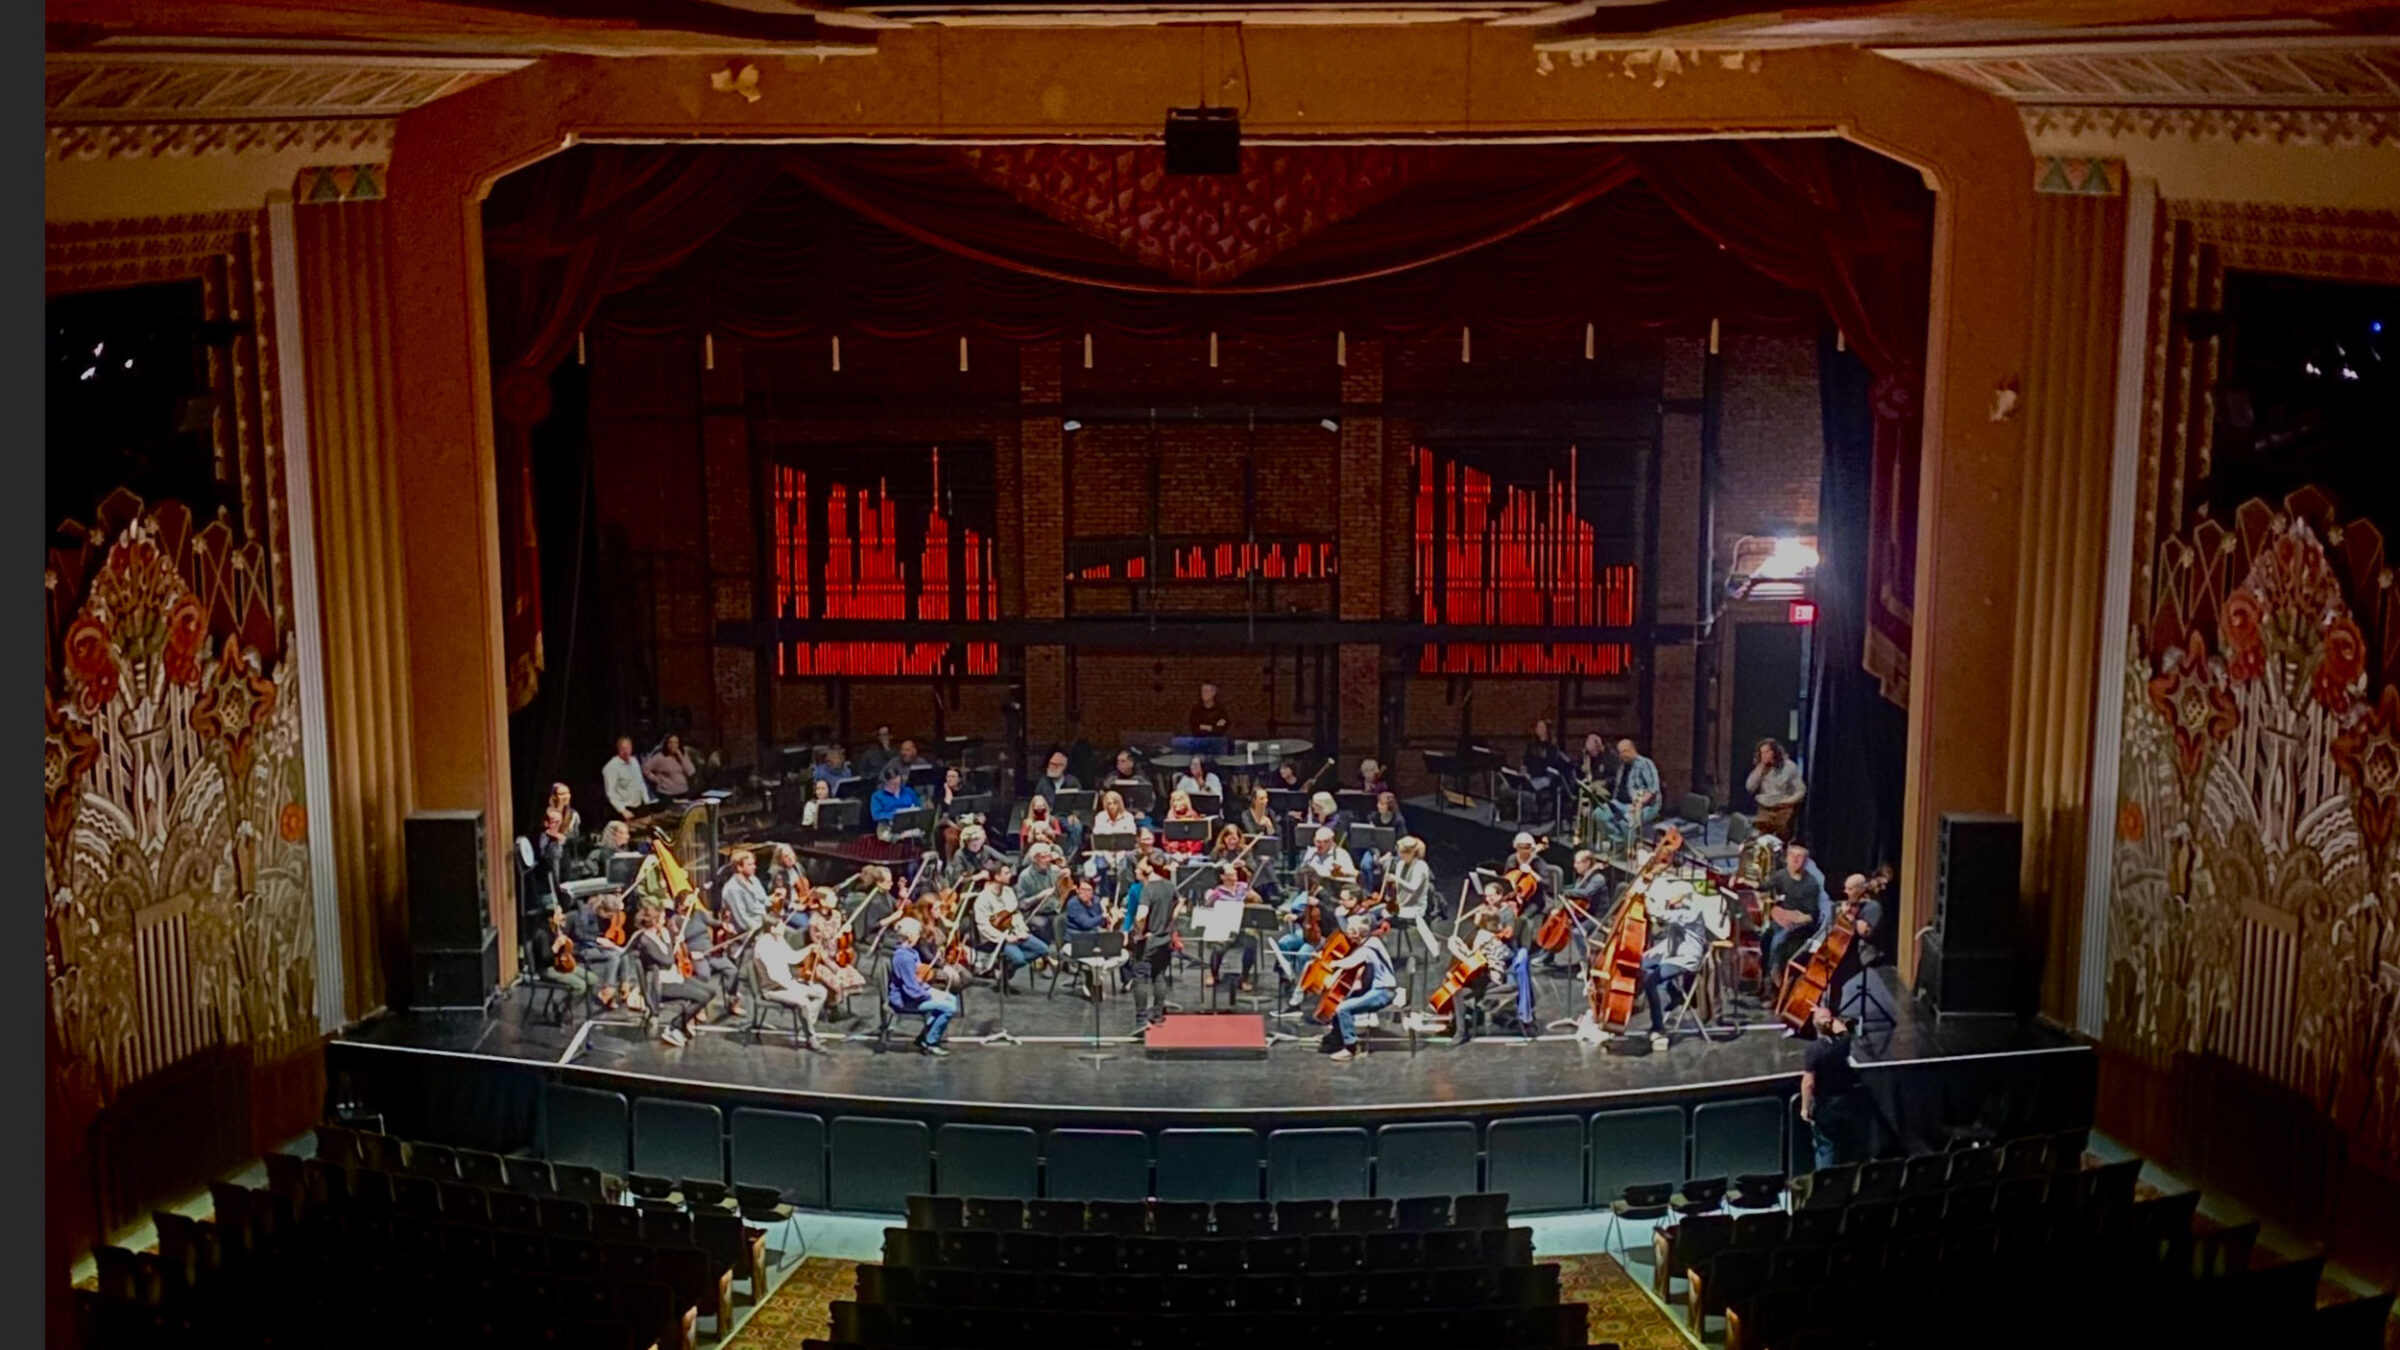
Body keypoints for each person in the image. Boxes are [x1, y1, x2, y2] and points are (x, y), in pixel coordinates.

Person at [1632, 877, 1707, 1050]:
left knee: (1651, 981)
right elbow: (1673, 938)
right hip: (1673, 955)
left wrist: (1645, 898)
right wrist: (1655, 950)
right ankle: (1674, 995)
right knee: (1641, 964)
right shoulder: (1680, 910)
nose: (1668, 899)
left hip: (1686, 959)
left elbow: (1662, 915)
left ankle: (1658, 1027)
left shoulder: (1692, 910)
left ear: (1682, 896)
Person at [629, 903, 714, 1047]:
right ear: (655, 922)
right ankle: (674, 1026)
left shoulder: (658, 934)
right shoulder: (646, 941)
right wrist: (670, 940)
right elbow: (667, 961)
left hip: (672, 977)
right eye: (662, 918)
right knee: (702, 997)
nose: (665, 921)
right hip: (659, 984)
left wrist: (673, 939)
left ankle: (681, 1025)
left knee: (711, 991)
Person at [750, 892, 827, 1049]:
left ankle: (807, 1026)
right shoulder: (763, 946)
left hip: (788, 984)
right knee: (804, 1001)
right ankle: (811, 1038)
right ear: (772, 928)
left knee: (821, 992)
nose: (784, 927)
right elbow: (773, 976)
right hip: (773, 989)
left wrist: (809, 948)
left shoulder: (778, 939)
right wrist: (795, 988)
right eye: (780, 925)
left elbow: (792, 958)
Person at [1315, 914, 1397, 1062]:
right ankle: (1336, 1037)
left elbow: (1350, 962)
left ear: (1357, 933)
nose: (1348, 934)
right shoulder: (1372, 941)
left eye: (1350, 931)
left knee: (1343, 1008)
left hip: (1383, 992)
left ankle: (1351, 1048)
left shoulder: (1368, 948)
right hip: (1380, 989)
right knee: (1341, 1001)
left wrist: (1331, 964)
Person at [1801, 1004, 1867, 1167]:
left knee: (1825, 1147)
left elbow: (1808, 1082)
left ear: (1813, 1024)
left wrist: (1805, 1107)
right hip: (1844, 1103)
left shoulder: (1814, 1050)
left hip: (1825, 1106)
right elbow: (1842, 1029)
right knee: (1844, 1145)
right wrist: (1826, 1015)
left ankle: (1824, 1184)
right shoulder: (1843, 1043)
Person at [885, 916, 958, 1056]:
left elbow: (917, 979)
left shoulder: (911, 952)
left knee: (951, 999)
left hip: (917, 991)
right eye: (917, 933)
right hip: (906, 999)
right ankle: (930, 1042)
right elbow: (911, 989)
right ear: (911, 936)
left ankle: (924, 1036)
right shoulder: (903, 958)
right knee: (949, 1007)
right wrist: (928, 994)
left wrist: (927, 987)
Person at [1763, 844, 1829, 991]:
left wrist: (1793, 918)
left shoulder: (1811, 884)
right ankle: (1764, 976)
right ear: (1786, 858)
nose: (1795, 859)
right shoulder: (1781, 875)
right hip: (1784, 919)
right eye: (1792, 855)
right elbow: (1763, 886)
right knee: (1764, 937)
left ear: (1805, 861)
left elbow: (1811, 917)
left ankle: (1774, 984)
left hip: (1802, 926)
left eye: (1799, 857)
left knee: (1777, 941)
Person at [1123, 871, 1183, 1030]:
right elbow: (1180, 903)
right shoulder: (1169, 886)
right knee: (1159, 974)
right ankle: (1157, 1014)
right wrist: (1170, 924)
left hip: (1149, 941)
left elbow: (1141, 915)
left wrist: (1139, 933)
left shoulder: (1148, 889)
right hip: (1165, 939)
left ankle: (1141, 1020)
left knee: (1140, 977)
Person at [975, 869, 1050, 986]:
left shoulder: (1009, 892)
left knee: (1043, 949)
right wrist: (1005, 937)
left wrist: (1022, 929)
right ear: (997, 876)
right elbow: (983, 926)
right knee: (1019, 959)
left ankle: (1007, 969)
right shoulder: (983, 899)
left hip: (1015, 931)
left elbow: (1016, 914)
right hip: (998, 937)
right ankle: (1007, 965)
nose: (1011, 875)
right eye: (1006, 873)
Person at [567, 892, 638, 1012]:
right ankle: (608, 990)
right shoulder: (584, 915)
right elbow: (579, 935)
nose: (611, 918)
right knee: (613, 957)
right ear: (602, 909)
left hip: (595, 945)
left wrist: (605, 942)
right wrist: (597, 939)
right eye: (610, 914)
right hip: (581, 948)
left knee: (622, 954)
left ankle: (624, 985)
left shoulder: (601, 917)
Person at [1200, 862, 1257, 992]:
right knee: (1218, 948)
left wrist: (1253, 897)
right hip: (1224, 927)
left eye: (1235, 873)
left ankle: (1244, 977)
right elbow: (1207, 908)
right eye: (1230, 874)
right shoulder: (1216, 892)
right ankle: (1213, 974)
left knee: (1251, 945)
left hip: (1242, 927)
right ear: (1223, 877)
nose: (1234, 875)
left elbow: (1258, 901)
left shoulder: (1243, 887)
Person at [1600, 738, 1661, 855]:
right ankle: (1621, 841)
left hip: (1644, 805)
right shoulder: (1622, 765)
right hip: (1620, 802)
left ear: (1633, 750)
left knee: (1628, 820)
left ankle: (1627, 848)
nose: (1622, 755)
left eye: (1625, 751)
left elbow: (1653, 789)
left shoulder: (1645, 764)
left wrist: (1639, 803)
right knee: (1599, 814)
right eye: (1620, 752)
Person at [1385, 836, 1438, 960]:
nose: (1400, 856)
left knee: (1382, 916)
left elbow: (1413, 888)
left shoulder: (1421, 866)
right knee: (1377, 911)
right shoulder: (1400, 864)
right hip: (1402, 903)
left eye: (1402, 853)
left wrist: (1397, 879)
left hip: (1415, 907)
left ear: (1411, 853)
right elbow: (1398, 890)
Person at [1747, 739, 1806, 840]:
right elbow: (1750, 787)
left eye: (1766, 752)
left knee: (1783, 840)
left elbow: (1800, 790)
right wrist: (1760, 767)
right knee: (1762, 840)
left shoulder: (1789, 767)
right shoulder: (1761, 768)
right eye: (1761, 753)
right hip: (1765, 809)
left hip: (1783, 809)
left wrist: (1789, 802)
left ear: (1774, 752)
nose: (1764, 755)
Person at [718, 847, 773, 938]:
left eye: (754, 864)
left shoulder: (754, 880)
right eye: (750, 865)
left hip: (764, 921)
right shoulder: (732, 889)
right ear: (739, 867)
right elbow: (743, 920)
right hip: (748, 933)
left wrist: (775, 898)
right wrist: (764, 931)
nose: (754, 867)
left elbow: (764, 900)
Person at [602, 736, 653, 819]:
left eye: (628, 748)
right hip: (624, 809)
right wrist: (622, 810)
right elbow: (610, 793)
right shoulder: (611, 767)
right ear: (618, 749)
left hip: (638, 805)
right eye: (623, 749)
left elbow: (640, 783)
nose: (626, 751)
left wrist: (647, 802)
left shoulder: (634, 761)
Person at [644, 733, 698, 800]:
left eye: (675, 743)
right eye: (670, 742)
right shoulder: (660, 757)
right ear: (666, 744)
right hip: (667, 794)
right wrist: (657, 780)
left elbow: (691, 772)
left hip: (683, 792)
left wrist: (681, 757)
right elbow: (645, 769)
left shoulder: (683, 755)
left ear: (679, 744)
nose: (673, 745)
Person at [1161, 790, 1207, 857]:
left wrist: (1190, 853)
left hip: (1193, 854)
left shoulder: (1194, 817)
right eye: (1174, 800)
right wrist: (1175, 853)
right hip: (1174, 854)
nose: (1175, 803)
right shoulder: (1169, 818)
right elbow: (1166, 841)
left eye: (1179, 800)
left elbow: (1199, 840)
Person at [1187, 682, 1230, 750]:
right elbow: (1195, 728)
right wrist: (1212, 727)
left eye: (1206, 691)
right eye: (1202, 691)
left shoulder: (1221, 711)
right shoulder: (1196, 710)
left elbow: (1220, 729)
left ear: (1214, 693)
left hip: (1217, 745)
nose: (1204, 694)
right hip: (1199, 745)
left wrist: (1204, 727)